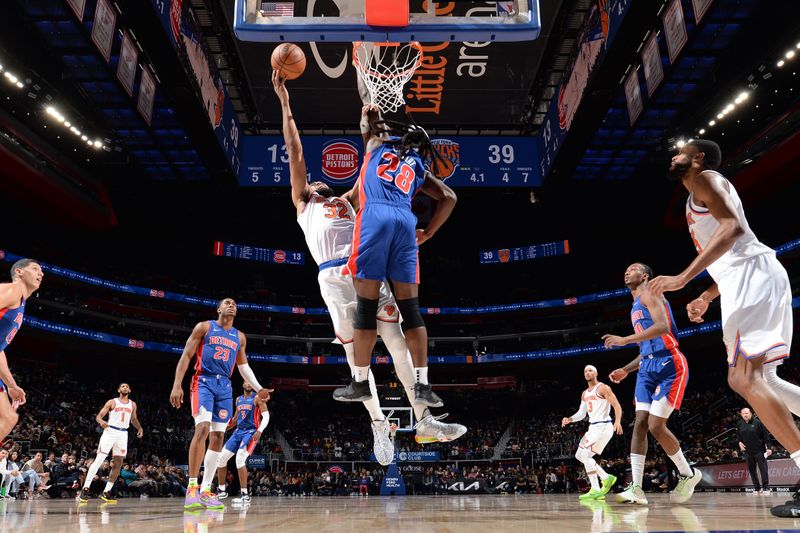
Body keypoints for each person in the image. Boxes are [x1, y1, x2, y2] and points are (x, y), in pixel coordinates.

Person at [271, 72, 465, 459]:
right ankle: (379, 423)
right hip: (335, 278)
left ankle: (424, 418)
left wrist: (372, 117)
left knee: (397, 342)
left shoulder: (351, 198)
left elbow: (377, 165)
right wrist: (285, 102)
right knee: (355, 354)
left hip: (368, 264)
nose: (319, 181)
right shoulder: (305, 202)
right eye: (315, 181)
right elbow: (294, 149)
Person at [647, 139, 800, 517]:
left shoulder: (706, 178)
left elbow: (733, 228)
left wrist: (682, 279)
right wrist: (708, 296)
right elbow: (732, 251)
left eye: (681, 150)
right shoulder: (696, 196)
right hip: (745, 279)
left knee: (744, 379)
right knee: (766, 379)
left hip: (753, 277)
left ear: (697, 158)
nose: (673, 155)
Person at [333, 91, 458, 411]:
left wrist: (369, 112)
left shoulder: (378, 146)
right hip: (405, 222)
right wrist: (428, 232)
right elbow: (449, 197)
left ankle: (360, 381)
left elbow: (371, 127)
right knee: (411, 310)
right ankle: (423, 385)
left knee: (366, 307)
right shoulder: (417, 164)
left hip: (375, 216)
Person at [604, 262, 700, 505]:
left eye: (633, 268)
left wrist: (624, 339)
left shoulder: (651, 293)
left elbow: (662, 327)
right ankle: (636, 487)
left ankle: (688, 474)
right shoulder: (635, 305)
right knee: (639, 424)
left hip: (670, 363)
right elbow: (646, 347)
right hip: (647, 367)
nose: (627, 271)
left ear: (645, 275)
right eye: (625, 269)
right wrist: (627, 369)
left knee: (656, 426)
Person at [170, 298, 269, 511]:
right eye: (227, 302)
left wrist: (259, 387)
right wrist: (177, 385)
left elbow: (243, 367)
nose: (232, 305)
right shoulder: (204, 327)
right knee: (203, 429)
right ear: (219, 309)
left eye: (234, 303)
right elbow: (186, 355)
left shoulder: (239, 337)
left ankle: (206, 490)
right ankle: (192, 488)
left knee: (218, 437)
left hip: (224, 386)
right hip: (203, 381)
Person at [561, 365, 622, 500]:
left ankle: (595, 488)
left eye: (590, 370)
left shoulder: (603, 388)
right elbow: (582, 414)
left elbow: (617, 405)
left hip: (603, 426)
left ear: (596, 373)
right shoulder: (585, 393)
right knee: (579, 455)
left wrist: (617, 421)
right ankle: (606, 477)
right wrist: (569, 419)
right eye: (585, 371)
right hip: (593, 428)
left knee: (586, 456)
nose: (587, 372)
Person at [0, 258, 43, 442]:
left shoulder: (20, 303)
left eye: (41, 271)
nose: (41, 273)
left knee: (9, 418)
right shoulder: (14, 289)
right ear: (19, 272)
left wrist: (11, 385)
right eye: (35, 269)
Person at [78, 383, 144, 503]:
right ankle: (85, 489)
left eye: (127, 386)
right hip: (110, 430)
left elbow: (133, 419)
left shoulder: (132, 404)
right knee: (99, 460)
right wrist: (101, 422)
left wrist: (139, 428)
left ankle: (107, 492)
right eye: (123, 386)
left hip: (123, 433)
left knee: (118, 463)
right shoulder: (112, 402)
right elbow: (99, 416)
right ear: (119, 389)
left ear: (129, 390)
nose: (125, 388)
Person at [216, 382, 271, 505]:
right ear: (243, 384)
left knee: (240, 459)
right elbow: (235, 420)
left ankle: (245, 494)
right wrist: (223, 428)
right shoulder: (238, 399)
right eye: (246, 381)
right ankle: (222, 490)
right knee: (221, 459)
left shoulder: (257, 398)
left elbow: (266, 416)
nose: (249, 384)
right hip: (238, 432)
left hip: (251, 432)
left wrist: (260, 431)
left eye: (250, 382)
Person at [736, 407, 772, 494]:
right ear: (741, 415)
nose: (745, 415)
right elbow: (738, 437)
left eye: (747, 413)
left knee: (763, 470)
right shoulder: (740, 424)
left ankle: (766, 487)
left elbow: (766, 436)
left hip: (759, 451)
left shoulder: (758, 423)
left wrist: (769, 448)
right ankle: (757, 488)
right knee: (752, 471)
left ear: (751, 413)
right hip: (748, 452)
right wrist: (739, 443)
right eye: (743, 413)